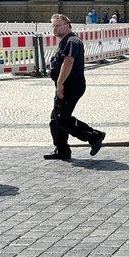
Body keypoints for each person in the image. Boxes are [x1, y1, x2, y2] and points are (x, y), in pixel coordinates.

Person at [45, 14, 106, 161]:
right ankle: (62, 150)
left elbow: (68, 62)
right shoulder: (66, 41)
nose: (54, 29)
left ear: (67, 25)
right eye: (53, 26)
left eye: (57, 25)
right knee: (56, 119)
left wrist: (60, 84)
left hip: (70, 86)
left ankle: (94, 136)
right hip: (67, 86)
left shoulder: (71, 41)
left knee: (62, 119)